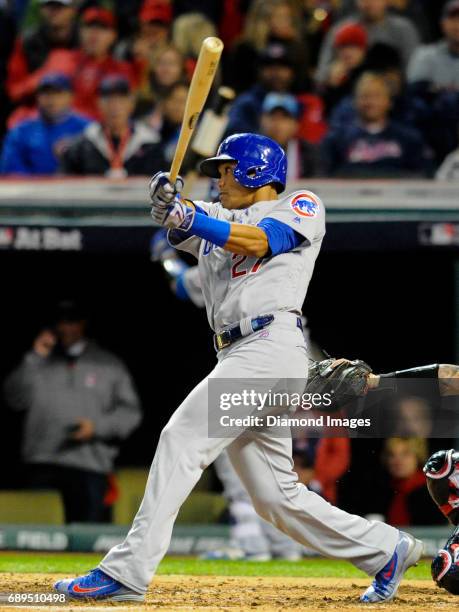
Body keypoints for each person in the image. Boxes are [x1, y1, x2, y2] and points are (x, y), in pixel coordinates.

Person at [55, 132, 423, 603]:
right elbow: (182, 229)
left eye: (227, 169)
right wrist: (169, 204)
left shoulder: (301, 205)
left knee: (181, 440)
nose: (220, 179)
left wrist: (190, 215)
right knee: (276, 498)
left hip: (269, 347)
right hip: (239, 354)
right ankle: (386, 549)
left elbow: (260, 241)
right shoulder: (220, 218)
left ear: (255, 170)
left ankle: (127, 571)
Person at [3, 300, 142, 523]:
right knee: (37, 538)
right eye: (62, 321)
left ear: (83, 324)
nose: (67, 327)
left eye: (72, 321)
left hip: (89, 465)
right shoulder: (38, 362)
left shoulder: (109, 364)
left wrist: (97, 427)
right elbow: (13, 398)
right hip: (42, 462)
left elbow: (131, 414)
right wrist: (35, 357)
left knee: (86, 541)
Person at [320, 72, 427, 177]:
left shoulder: (409, 138)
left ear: (389, 102)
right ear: (354, 101)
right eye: (365, 96)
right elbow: (327, 176)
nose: (370, 102)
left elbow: (420, 176)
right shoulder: (336, 139)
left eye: (377, 96)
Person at [61, 75, 163, 177]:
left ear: (131, 103)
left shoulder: (150, 143)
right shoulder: (82, 146)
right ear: (98, 104)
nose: (115, 106)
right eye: (108, 100)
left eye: (121, 99)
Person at [0, 72, 89, 175]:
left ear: (70, 96)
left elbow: (96, 169)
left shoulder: (88, 129)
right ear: (37, 97)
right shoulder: (20, 132)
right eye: (46, 94)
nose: (51, 99)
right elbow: (11, 172)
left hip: (79, 189)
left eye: (57, 93)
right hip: (31, 189)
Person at [316, 0, 420, 85]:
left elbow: (414, 72)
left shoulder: (404, 29)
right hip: (349, 95)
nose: (369, 2)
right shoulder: (341, 30)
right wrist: (332, 73)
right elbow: (321, 73)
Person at [6, 0, 78, 107]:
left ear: (73, 9)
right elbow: (14, 91)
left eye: (60, 6)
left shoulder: (86, 39)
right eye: (49, 6)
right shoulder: (27, 42)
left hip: (78, 109)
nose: (54, 11)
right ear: (41, 9)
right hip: (35, 109)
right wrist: (44, 75)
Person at [381, 438, 442, 526]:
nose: (397, 461)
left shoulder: (434, 492)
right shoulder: (381, 492)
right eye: (392, 455)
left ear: (418, 457)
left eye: (405, 454)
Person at [259, 92, 318, 178]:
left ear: (295, 124)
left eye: (284, 118)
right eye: (272, 117)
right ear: (262, 121)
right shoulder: (250, 154)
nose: (277, 124)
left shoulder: (310, 155)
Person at [407, 0, 459, 91]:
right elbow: (413, 94)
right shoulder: (424, 55)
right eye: (453, 19)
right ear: (442, 24)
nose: (458, 25)